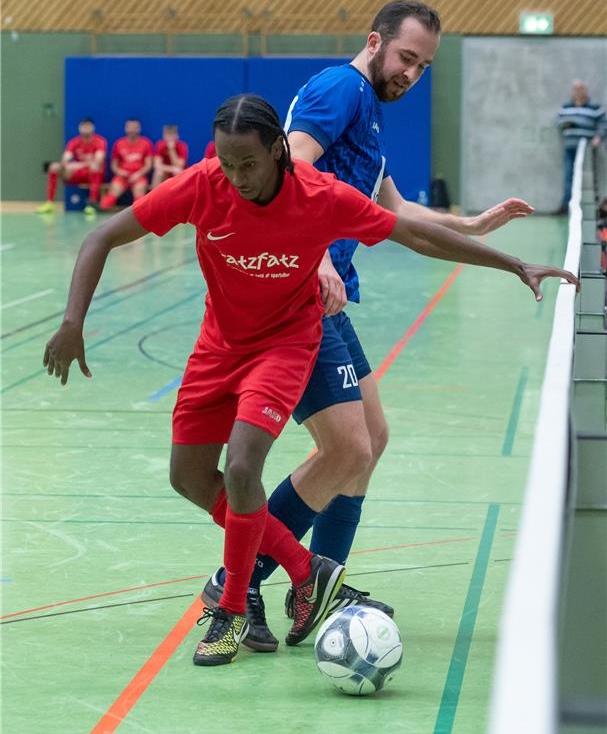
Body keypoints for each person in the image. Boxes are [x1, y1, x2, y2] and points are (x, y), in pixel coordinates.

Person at [43, 94, 577, 667]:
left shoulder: (320, 197)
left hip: (285, 344)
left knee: (245, 466)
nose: (237, 177)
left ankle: (231, 612)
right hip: (217, 346)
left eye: (248, 163)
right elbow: (103, 236)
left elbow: (414, 235)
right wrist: (74, 321)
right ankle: (307, 569)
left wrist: (512, 262)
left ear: (278, 149)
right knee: (190, 477)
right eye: (226, 163)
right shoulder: (203, 185)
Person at [200, 0, 538, 649]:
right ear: (374, 42)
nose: (412, 72)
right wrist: (317, 252)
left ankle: (322, 585)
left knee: (369, 439)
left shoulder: (369, 115)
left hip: (330, 299)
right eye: (406, 57)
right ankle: (235, 585)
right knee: (346, 448)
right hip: (294, 298)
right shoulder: (341, 90)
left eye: (424, 65)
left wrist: (469, 225)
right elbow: (287, 165)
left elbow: (394, 208)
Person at [37, 117, 106, 216]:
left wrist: (77, 165)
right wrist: (67, 166)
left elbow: (98, 161)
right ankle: (50, 203)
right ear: (79, 128)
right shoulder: (74, 142)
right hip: (75, 174)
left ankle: (92, 204)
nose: (86, 129)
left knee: (95, 167)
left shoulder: (100, 141)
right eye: (84, 126)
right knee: (54, 168)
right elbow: (65, 160)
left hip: (92, 174)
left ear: (93, 128)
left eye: (88, 126)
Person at [556, 80, 605, 214]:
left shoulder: (594, 108)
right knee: (569, 176)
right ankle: (566, 205)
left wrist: (598, 137)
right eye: (575, 89)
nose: (578, 91)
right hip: (570, 148)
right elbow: (559, 121)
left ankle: (591, 208)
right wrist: (569, 123)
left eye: (581, 88)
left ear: (585, 90)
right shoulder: (566, 107)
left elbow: (603, 123)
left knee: (588, 179)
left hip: (587, 149)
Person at [100, 119, 153, 210]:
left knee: (139, 192)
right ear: (126, 128)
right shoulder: (119, 143)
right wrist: (120, 172)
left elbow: (148, 165)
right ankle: (102, 209)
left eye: (135, 127)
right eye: (130, 127)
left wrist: (138, 174)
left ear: (139, 129)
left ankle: (137, 215)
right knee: (114, 190)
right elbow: (114, 165)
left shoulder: (146, 143)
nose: (132, 130)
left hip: (139, 176)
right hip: (122, 176)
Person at [151, 125, 189, 189]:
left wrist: (172, 149)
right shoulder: (160, 145)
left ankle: (179, 197)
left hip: (179, 174)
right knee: (158, 172)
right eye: (168, 135)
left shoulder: (182, 146)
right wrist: (172, 169)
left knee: (178, 172)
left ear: (177, 136)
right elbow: (157, 165)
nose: (170, 138)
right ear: (164, 136)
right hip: (166, 173)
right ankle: (153, 197)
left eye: (172, 135)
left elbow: (180, 165)